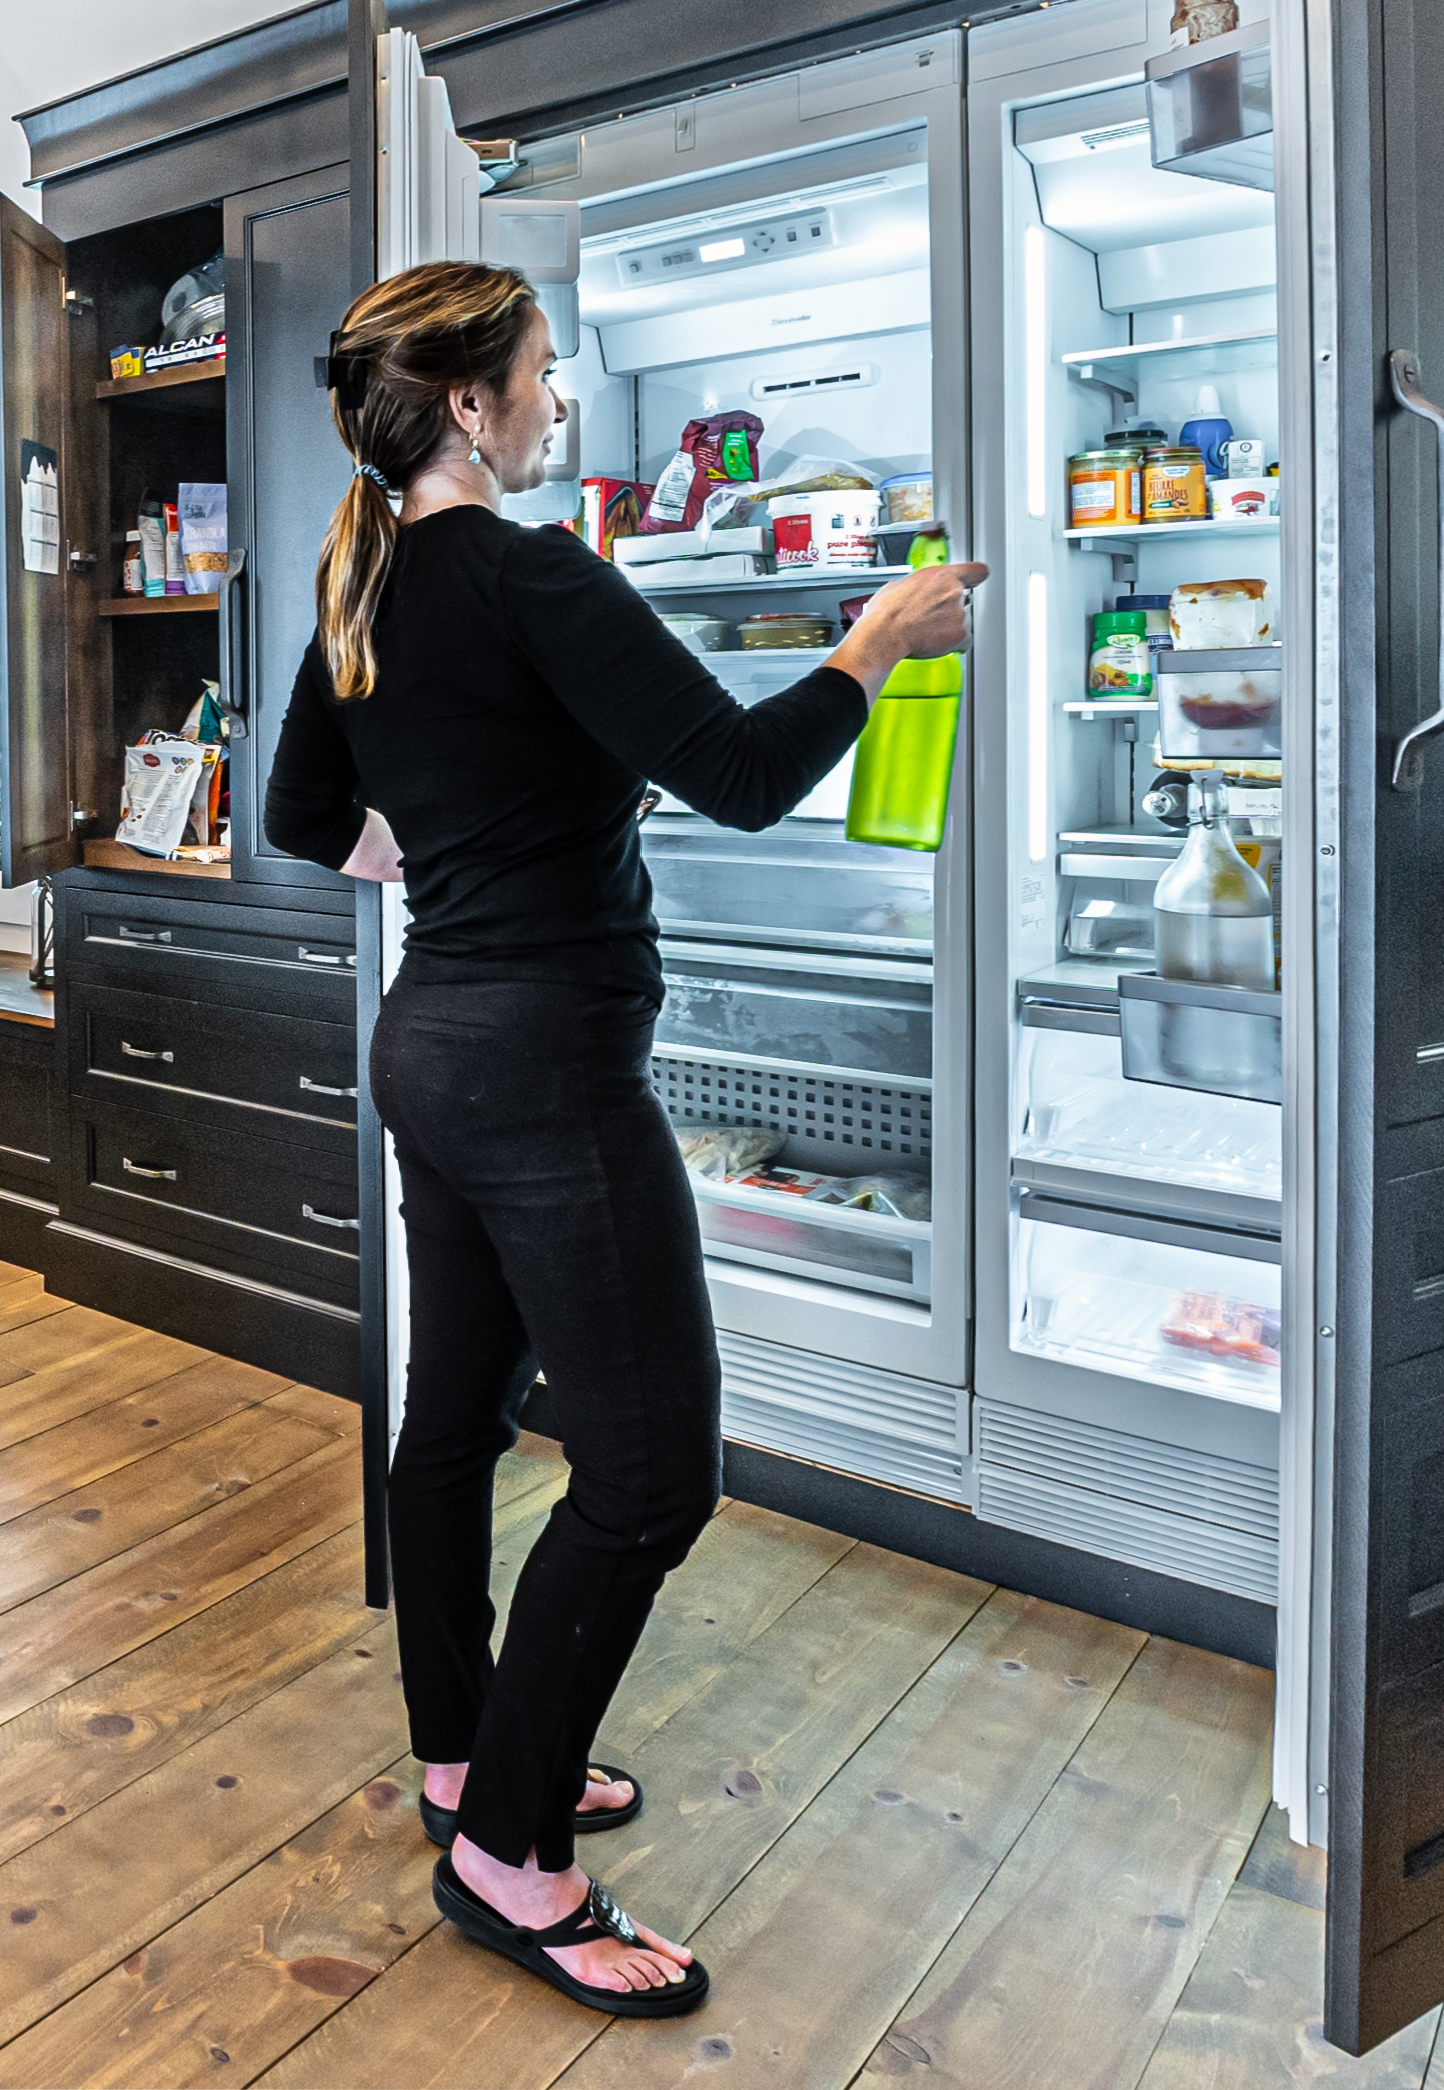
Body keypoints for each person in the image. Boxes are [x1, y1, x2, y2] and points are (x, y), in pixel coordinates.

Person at [262, 258, 983, 2019]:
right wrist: (874, 645)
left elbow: (297, 811)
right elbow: (742, 772)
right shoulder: (526, 571)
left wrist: (447, 863)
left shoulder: (365, 583)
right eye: (540, 374)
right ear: (466, 406)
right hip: (543, 1067)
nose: (560, 399)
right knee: (655, 1479)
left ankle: (462, 1762)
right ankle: (511, 1856)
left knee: (453, 1425)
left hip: (431, 1042)